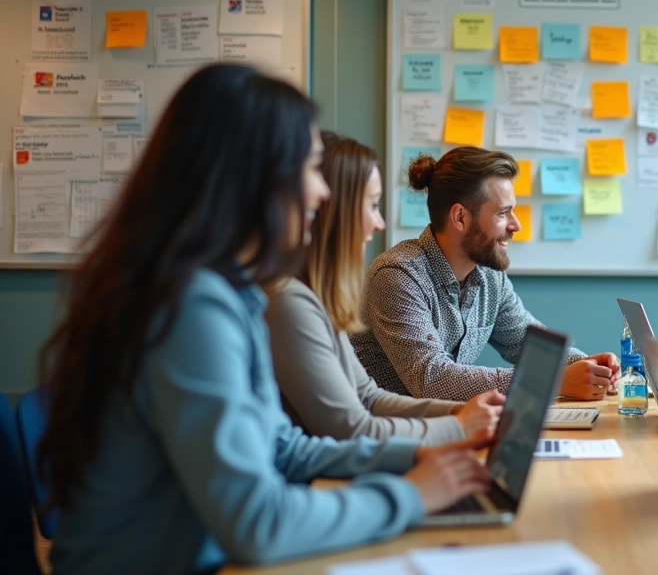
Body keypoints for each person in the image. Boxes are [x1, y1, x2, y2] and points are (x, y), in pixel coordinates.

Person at [37, 64, 492, 574]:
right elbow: (258, 523)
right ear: (252, 179)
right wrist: (406, 498)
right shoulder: (191, 307)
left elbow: (286, 448)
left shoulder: (229, 293)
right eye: (306, 168)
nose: (321, 194)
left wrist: (421, 460)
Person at [264, 132, 504, 445]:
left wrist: (464, 413)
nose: (379, 224)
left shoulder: (317, 299)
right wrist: (460, 427)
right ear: (335, 210)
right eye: (373, 205)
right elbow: (349, 427)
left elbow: (368, 398)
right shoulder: (291, 303)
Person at [351, 146, 620, 402]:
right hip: (385, 438)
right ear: (460, 218)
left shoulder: (490, 277)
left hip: (447, 430)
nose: (516, 225)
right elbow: (431, 378)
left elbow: (529, 345)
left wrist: (586, 365)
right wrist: (550, 380)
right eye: (504, 213)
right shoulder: (397, 275)